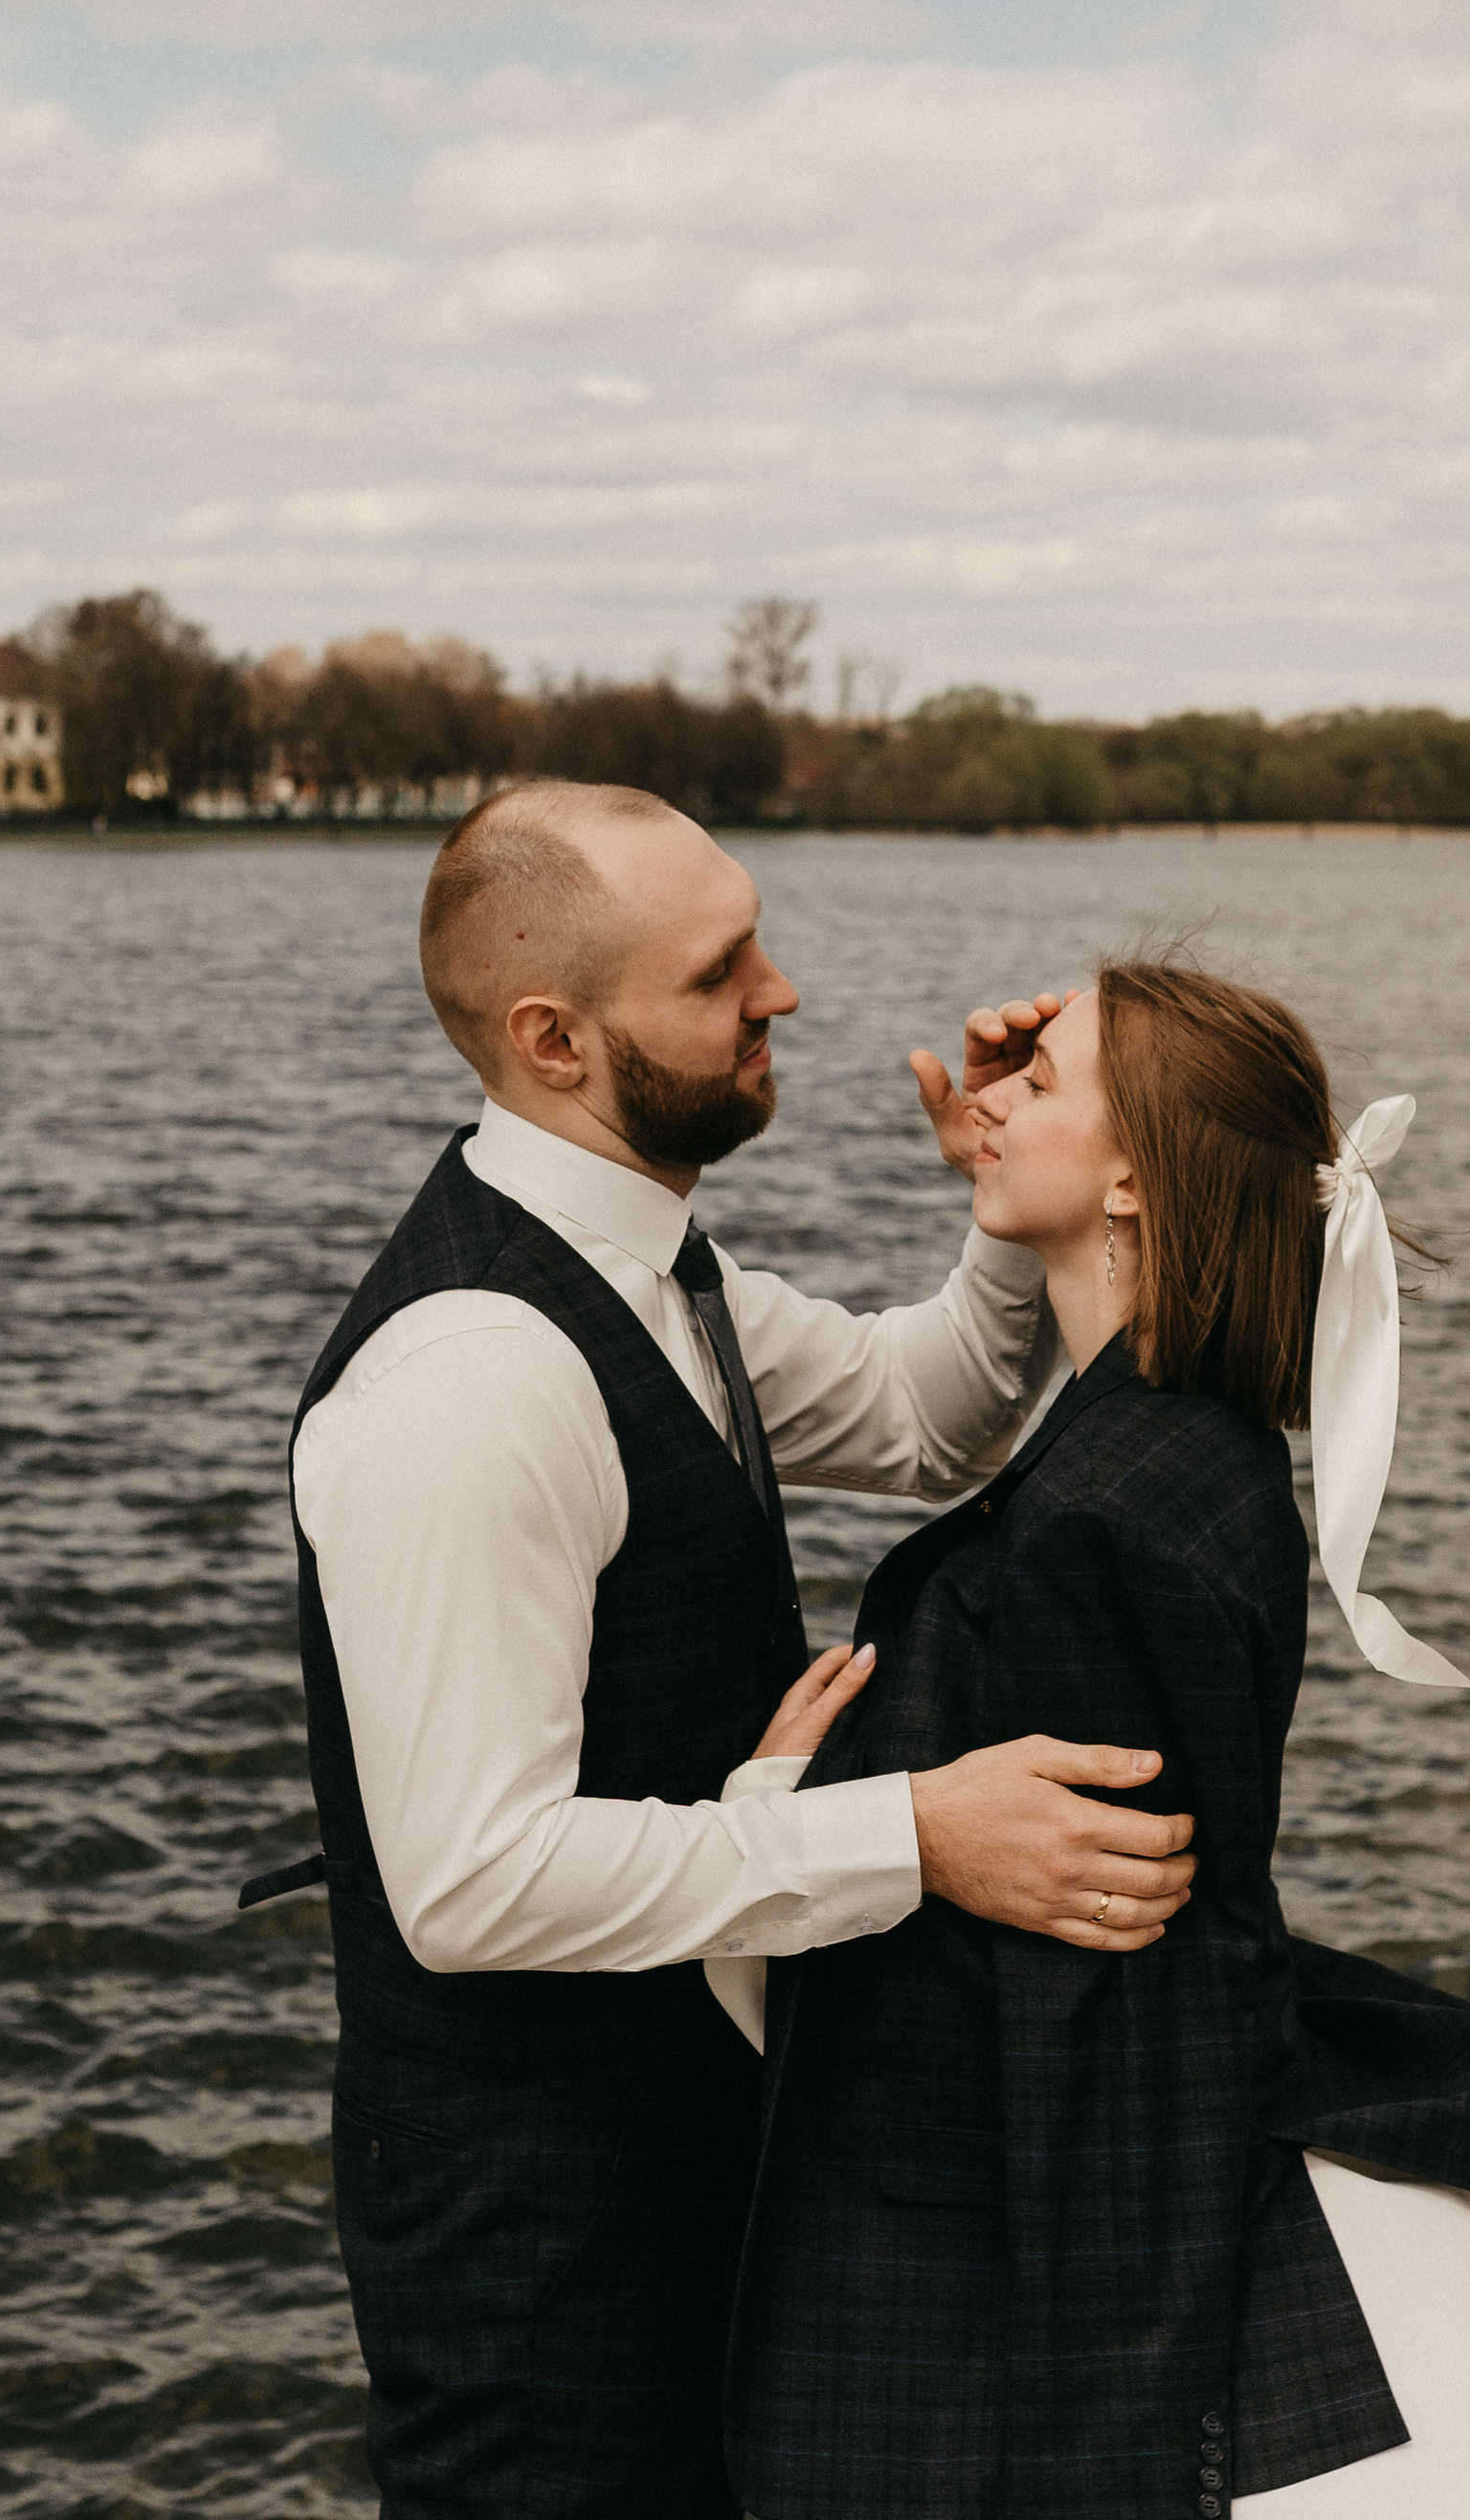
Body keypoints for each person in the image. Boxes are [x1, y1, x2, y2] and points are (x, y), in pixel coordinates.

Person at [264, 782, 1203, 2520]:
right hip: (537, 2243)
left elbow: (931, 1421)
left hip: (698, 2157)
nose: (782, 992)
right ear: (556, 1039)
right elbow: (469, 1884)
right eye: (721, 973)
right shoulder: (472, 1377)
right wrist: (918, 1837)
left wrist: (1004, 1196)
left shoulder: (646, 1267)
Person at [726, 961, 1470, 2520]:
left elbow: (1122, 2036)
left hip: (948, 2299)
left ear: (1133, 1178)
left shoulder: (1114, 1522)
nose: (996, 1091)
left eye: (1048, 1080)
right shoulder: (1167, 1439)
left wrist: (787, 1797)